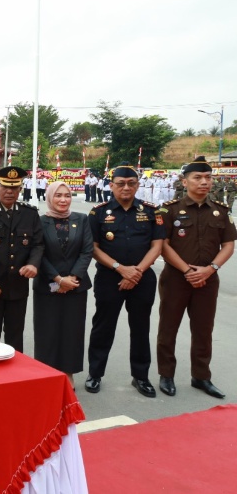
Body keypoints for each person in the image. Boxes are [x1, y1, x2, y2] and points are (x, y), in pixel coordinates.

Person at [155, 156, 236, 399]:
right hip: (176, 279)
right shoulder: (169, 210)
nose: (204, 182)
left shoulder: (220, 211)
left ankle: (201, 376)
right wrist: (188, 271)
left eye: (208, 178)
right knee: (168, 328)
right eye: (197, 178)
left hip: (208, 280)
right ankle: (166, 375)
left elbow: (228, 245)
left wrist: (210, 269)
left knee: (203, 329)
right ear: (185, 181)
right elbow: (163, 245)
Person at [84, 163, 164, 397]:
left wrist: (135, 271)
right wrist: (121, 269)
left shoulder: (151, 211)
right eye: (121, 183)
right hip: (109, 278)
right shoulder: (98, 212)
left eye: (131, 183)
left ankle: (141, 377)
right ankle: (95, 373)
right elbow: (93, 248)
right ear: (111, 186)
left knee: (140, 327)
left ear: (138, 185)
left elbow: (157, 246)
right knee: (103, 326)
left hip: (142, 278)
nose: (126, 187)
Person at [0, 166, 44, 352]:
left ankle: (14, 377)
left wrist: (33, 264)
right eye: (5, 187)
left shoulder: (30, 213)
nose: (9, 192)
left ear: (20, 189)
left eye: (14, 188)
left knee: (15, 334)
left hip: (18, 285)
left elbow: (38, 244)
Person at [33, 181, 94, 386]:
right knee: (47, 329)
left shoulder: (82, 219)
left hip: (76, 286)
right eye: (58, 195)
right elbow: (38, 253)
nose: (63, 200)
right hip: (48, 285)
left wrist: (72, 278)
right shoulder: (40, 221)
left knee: (72, 330)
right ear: (50, 197)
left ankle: (68, 372)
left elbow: (87, 251)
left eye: (67, 195)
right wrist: (58, 279)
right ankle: (47, 372)